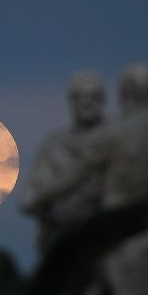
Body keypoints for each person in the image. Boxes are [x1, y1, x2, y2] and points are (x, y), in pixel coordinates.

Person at [20, 70, 108, 250]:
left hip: (104, 236)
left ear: (102, 100)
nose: (87, 102)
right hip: (62, 240)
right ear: (71, 101)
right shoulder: (55, 146)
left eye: (94, 96)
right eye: (80, 97)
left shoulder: (116, 141)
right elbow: (28, 200)